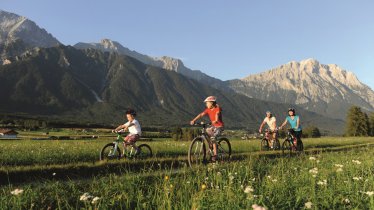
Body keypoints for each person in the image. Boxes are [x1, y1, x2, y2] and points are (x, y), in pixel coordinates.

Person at [190, 96, 224, 162]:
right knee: (206, 131)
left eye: (207, 103)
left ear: (211, 103)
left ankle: (215, 155)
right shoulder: (208, 110)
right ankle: (211, 146)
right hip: (213, 126)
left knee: (213, 138)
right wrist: (193, 120)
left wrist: (216, 120)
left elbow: (217, 114)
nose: (206, 104)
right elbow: (201, 115)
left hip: (219, 127)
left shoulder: (217, 108)